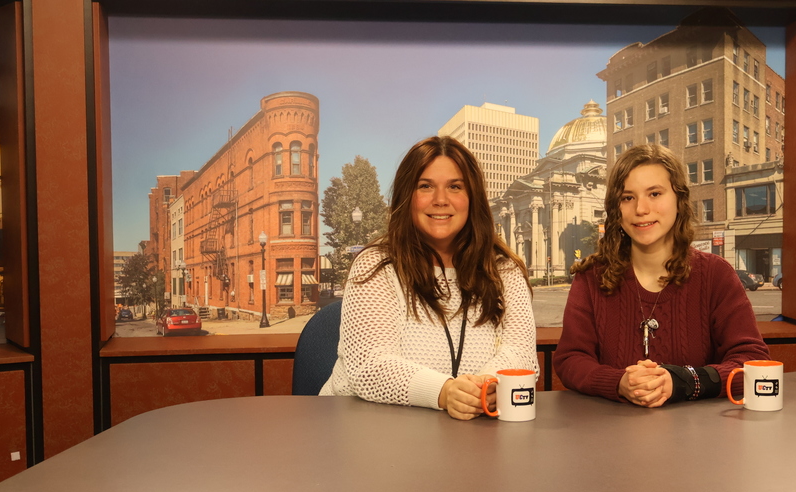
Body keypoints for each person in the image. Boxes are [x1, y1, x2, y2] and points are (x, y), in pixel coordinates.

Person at [321, 136, 538, 420]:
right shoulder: (375, 264)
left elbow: (523, 357)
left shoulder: (504, 270)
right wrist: (445, 392)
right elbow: (369, 367)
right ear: (406, 197)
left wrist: (483, 388)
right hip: (365, 431)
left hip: (470, 438)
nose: (440, 200)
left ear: (472, 198)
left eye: (455, 187)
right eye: (425, 186)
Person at [554, 144, 770, 407]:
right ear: (616, 208)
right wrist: (619, 383)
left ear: (679, 199)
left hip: (702, 436)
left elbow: (751, 360)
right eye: (627, 197)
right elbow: (570, 359)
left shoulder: (715, 274)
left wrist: (681, 381)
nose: (641, 209)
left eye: (654, 193)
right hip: (607, 435)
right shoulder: (591, 277)